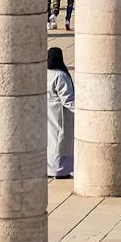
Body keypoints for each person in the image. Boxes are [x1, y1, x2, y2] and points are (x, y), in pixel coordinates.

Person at [46, 47, 75, 178]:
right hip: (60, 113)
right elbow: (67, 99)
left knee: (51, 141)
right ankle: (60, 171)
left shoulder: (45, 72)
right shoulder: (60, 75)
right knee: (61, 142)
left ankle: (49, 169)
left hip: (48, 111)